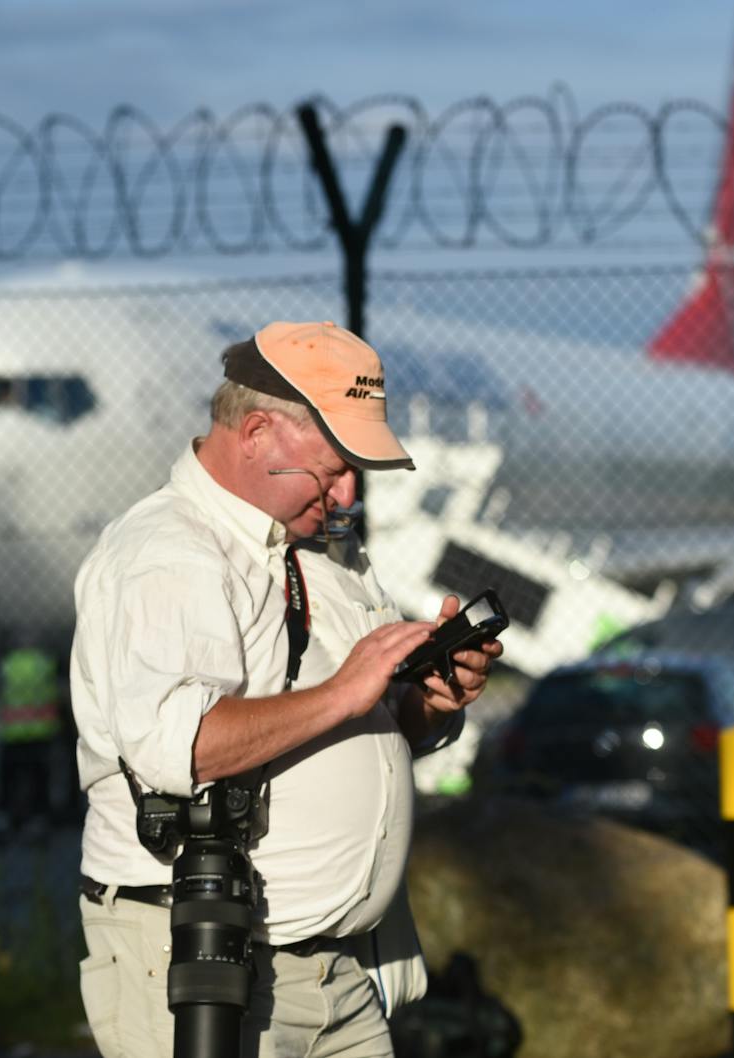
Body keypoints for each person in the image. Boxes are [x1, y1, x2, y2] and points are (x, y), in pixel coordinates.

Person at [70, 321, 502, 1058]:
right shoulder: (169, 552)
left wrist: (423, 705)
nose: (346, 493)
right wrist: (347, 688)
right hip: (205, 958)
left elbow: (343, 726)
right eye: (333, 466)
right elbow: (187, 745)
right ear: (259, 431)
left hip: (339, 967)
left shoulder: (322, 545)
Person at [0, 635, 64, 834]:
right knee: (39, 778)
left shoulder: (6, 665)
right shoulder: (45, 664)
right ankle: (37, 820)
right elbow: (58, 691)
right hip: (40, 731)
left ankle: (5, 818)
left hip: (11, 732)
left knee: (9, 779)